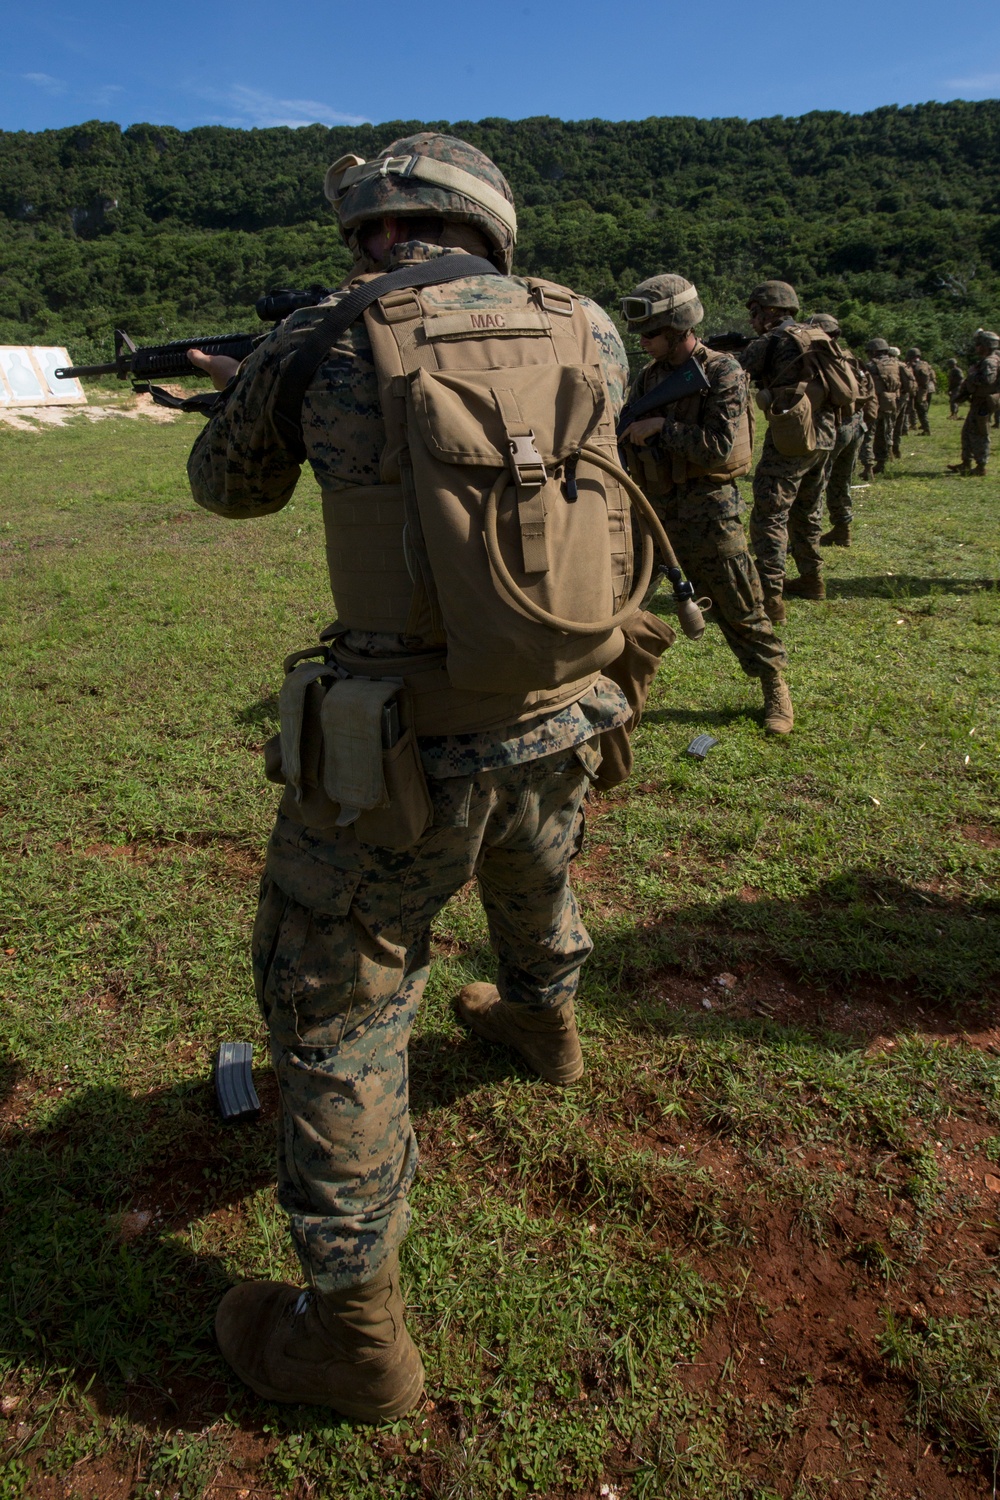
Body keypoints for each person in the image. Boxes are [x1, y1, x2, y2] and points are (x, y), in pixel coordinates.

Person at [184, 131, 658, 1420]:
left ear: (370, 230)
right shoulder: (593, 326)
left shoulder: (322, 338)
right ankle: (544, 1023)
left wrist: (249, 386)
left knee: (336, 998)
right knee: (536, 864)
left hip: (399, 743)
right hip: (564, 702)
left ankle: (348, 1333)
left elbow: (228, 491)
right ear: (486, 225)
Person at [619, 274, 792, 733]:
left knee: (739, 601)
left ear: (678, 327)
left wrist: (661, 427)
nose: (644, 341)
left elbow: (718, 447)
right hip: (653, 508)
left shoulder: (722, 371)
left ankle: (774, 684)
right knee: (621, 600)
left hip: (707, 508)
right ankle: (614, 692)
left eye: (651, 333)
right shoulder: (649, 377)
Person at [738, 280, 838, 614]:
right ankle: (812, 579)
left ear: (771, 311)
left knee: (769, 514)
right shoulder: (814, 335)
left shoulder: (774, 339)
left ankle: (769, 594)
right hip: (824, 435)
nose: (752, 320)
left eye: (754, 312)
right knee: (807, 510)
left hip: (793, 436)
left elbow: (735, 374)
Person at [805, 314, 875, 548]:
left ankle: (808, 536)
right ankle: (842, 528)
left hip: (835, 427)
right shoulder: (849, 357)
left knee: (816, 483)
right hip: (856, 424)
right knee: (842, 480)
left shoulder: (820, 358)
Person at [948, 329, 1000, 476]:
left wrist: (972, 376)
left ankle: (981, 466)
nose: (976, 347)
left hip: (983, 403)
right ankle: (966, 463)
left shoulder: (990, 361)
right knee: (967, 433)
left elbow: (987, 380)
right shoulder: (989, 360)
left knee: (980, 433)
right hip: (979, 402)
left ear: (986, 345)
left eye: (978, 344)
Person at [865, 338, 902, 475]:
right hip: (891, 402)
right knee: (886, 432)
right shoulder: (895, 364)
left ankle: (867, 466)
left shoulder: (871, 365)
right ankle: (882, 462)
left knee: (868, 434)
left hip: (873, 402)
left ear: (874, 351)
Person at [889, 347, 915, 456]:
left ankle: (889, 449)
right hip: (905, 396)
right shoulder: (903, 365)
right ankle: (896, 447)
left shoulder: (891, 365)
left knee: (890, 423)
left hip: (894, 397)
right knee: (899, 423)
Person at [907, 347, 936, 435]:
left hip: (919, 390)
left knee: (920, 410)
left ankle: (926, 429)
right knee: (923, 409)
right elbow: (932, 376)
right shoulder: (925, 364)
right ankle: (925, 427)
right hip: (928, 389)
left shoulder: (914, 365)